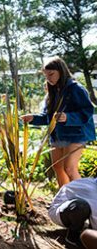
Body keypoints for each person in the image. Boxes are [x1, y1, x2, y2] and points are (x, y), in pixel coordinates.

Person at [21, 57, 96, 188]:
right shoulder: (52, 92)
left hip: (76, 134)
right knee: (57, 167)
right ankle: (67, 200)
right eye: (46, 75)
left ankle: (84, 200)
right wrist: (33, 118)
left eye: (51, 74)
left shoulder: (76, 88)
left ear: (61, 71)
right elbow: (48, 118)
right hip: (57, 134)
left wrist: (68, 117)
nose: (48, 78)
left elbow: (88, 111)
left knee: (70, 168)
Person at [48, 178, 97, 247]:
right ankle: (72, 237)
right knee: (81, 206)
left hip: (71, 208)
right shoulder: (92, 190)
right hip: (59, 211)